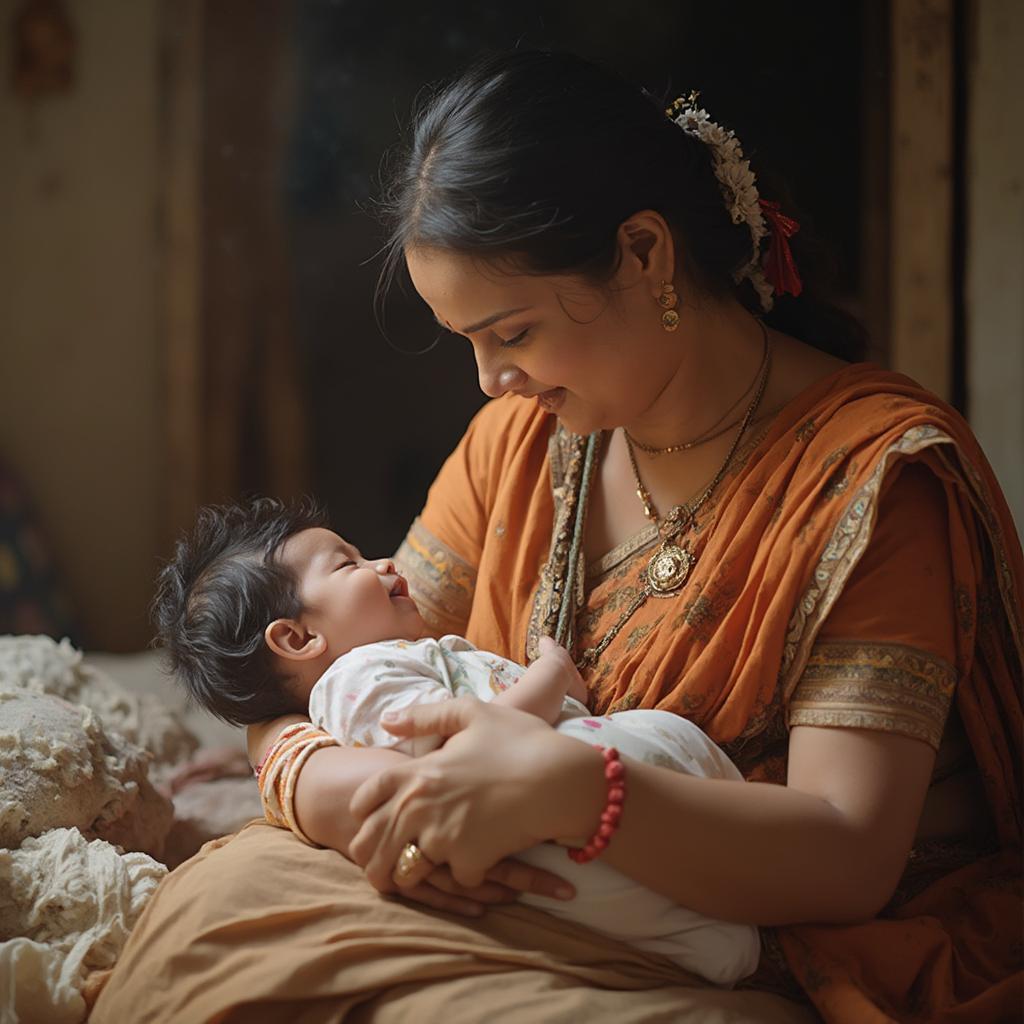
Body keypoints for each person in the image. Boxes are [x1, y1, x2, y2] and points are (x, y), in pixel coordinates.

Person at [91, 50, 1022, 1023]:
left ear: (646, 253)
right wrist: (325, 780)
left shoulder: (869, 481)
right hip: (554, 892)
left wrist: (579, 792)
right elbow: (333, 656)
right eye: (470, 343)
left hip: (757, 940)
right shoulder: (523, 439)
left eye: (512, 333)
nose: (489, 381)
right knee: (219, 911)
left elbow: (847, 858)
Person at [151, 496, 760, 985]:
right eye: (347, 565)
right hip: (554, 820)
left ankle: (705, 935)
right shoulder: (357, 679)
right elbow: (458, 758)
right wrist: (551, 678)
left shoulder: (384, 664)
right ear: (297, 639)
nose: (385, 565)